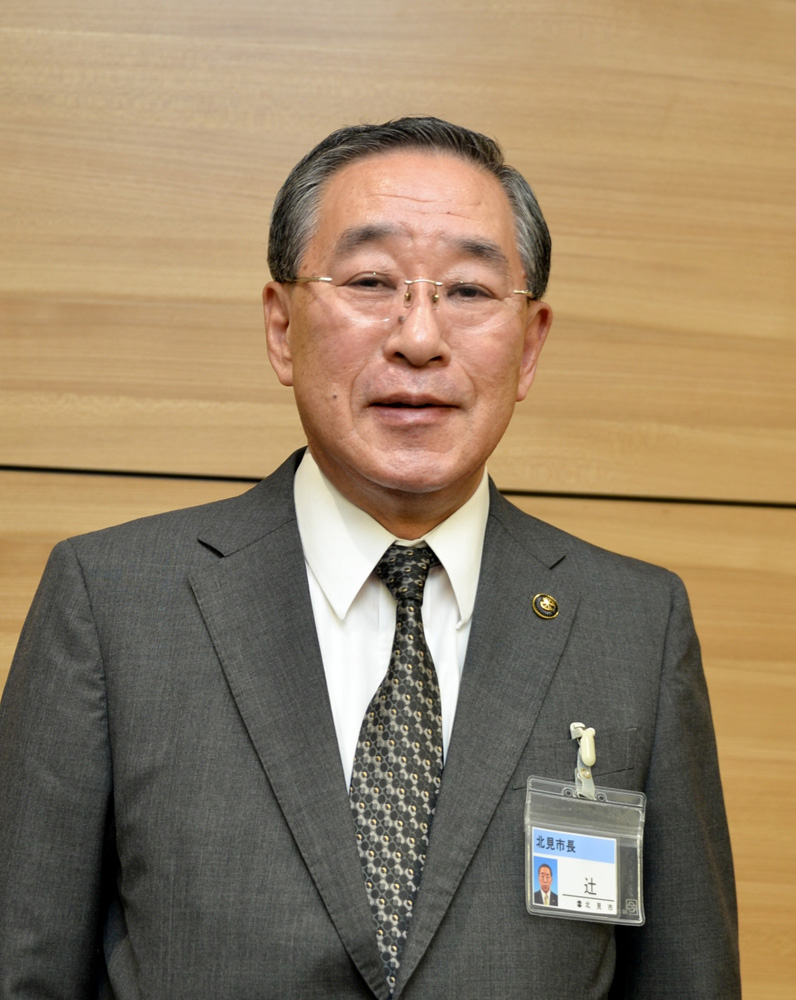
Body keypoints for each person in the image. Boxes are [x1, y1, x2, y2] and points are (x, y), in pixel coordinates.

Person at [0, 116, 740, 999]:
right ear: (282, 327)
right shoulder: (114, 604)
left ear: (531, 343)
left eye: (469, 290)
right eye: (370, 281)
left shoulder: (634, 628)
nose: (419, 338)